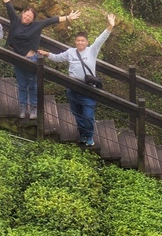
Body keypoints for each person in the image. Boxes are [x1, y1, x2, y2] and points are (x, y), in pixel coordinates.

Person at [0, 0, 80, 119]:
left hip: (32, 59)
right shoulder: (15, 21)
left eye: (30, 16)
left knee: (33, 86)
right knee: (21, 85)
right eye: (26, 14)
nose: (27, 17)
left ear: (33, 19)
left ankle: (33, 109)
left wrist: (68, 18)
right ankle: (22, 108)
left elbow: (51, 20)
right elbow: (8, 4)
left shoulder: (36, 26)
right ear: (22, 14)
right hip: (18, 59)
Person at [39, 14, 116, 147]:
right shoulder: (70, 52)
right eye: (78, 41)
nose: (80, 43)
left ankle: (89, 135)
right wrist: (47, 54)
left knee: (87, 115)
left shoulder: (92, 51)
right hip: (73, 88)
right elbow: (58, 58)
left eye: (83, 41)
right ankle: (82, 134)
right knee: (77, 114)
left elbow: (100, 39)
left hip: (88, 89)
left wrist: (109, 26)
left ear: (86, 42)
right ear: (75, 42)